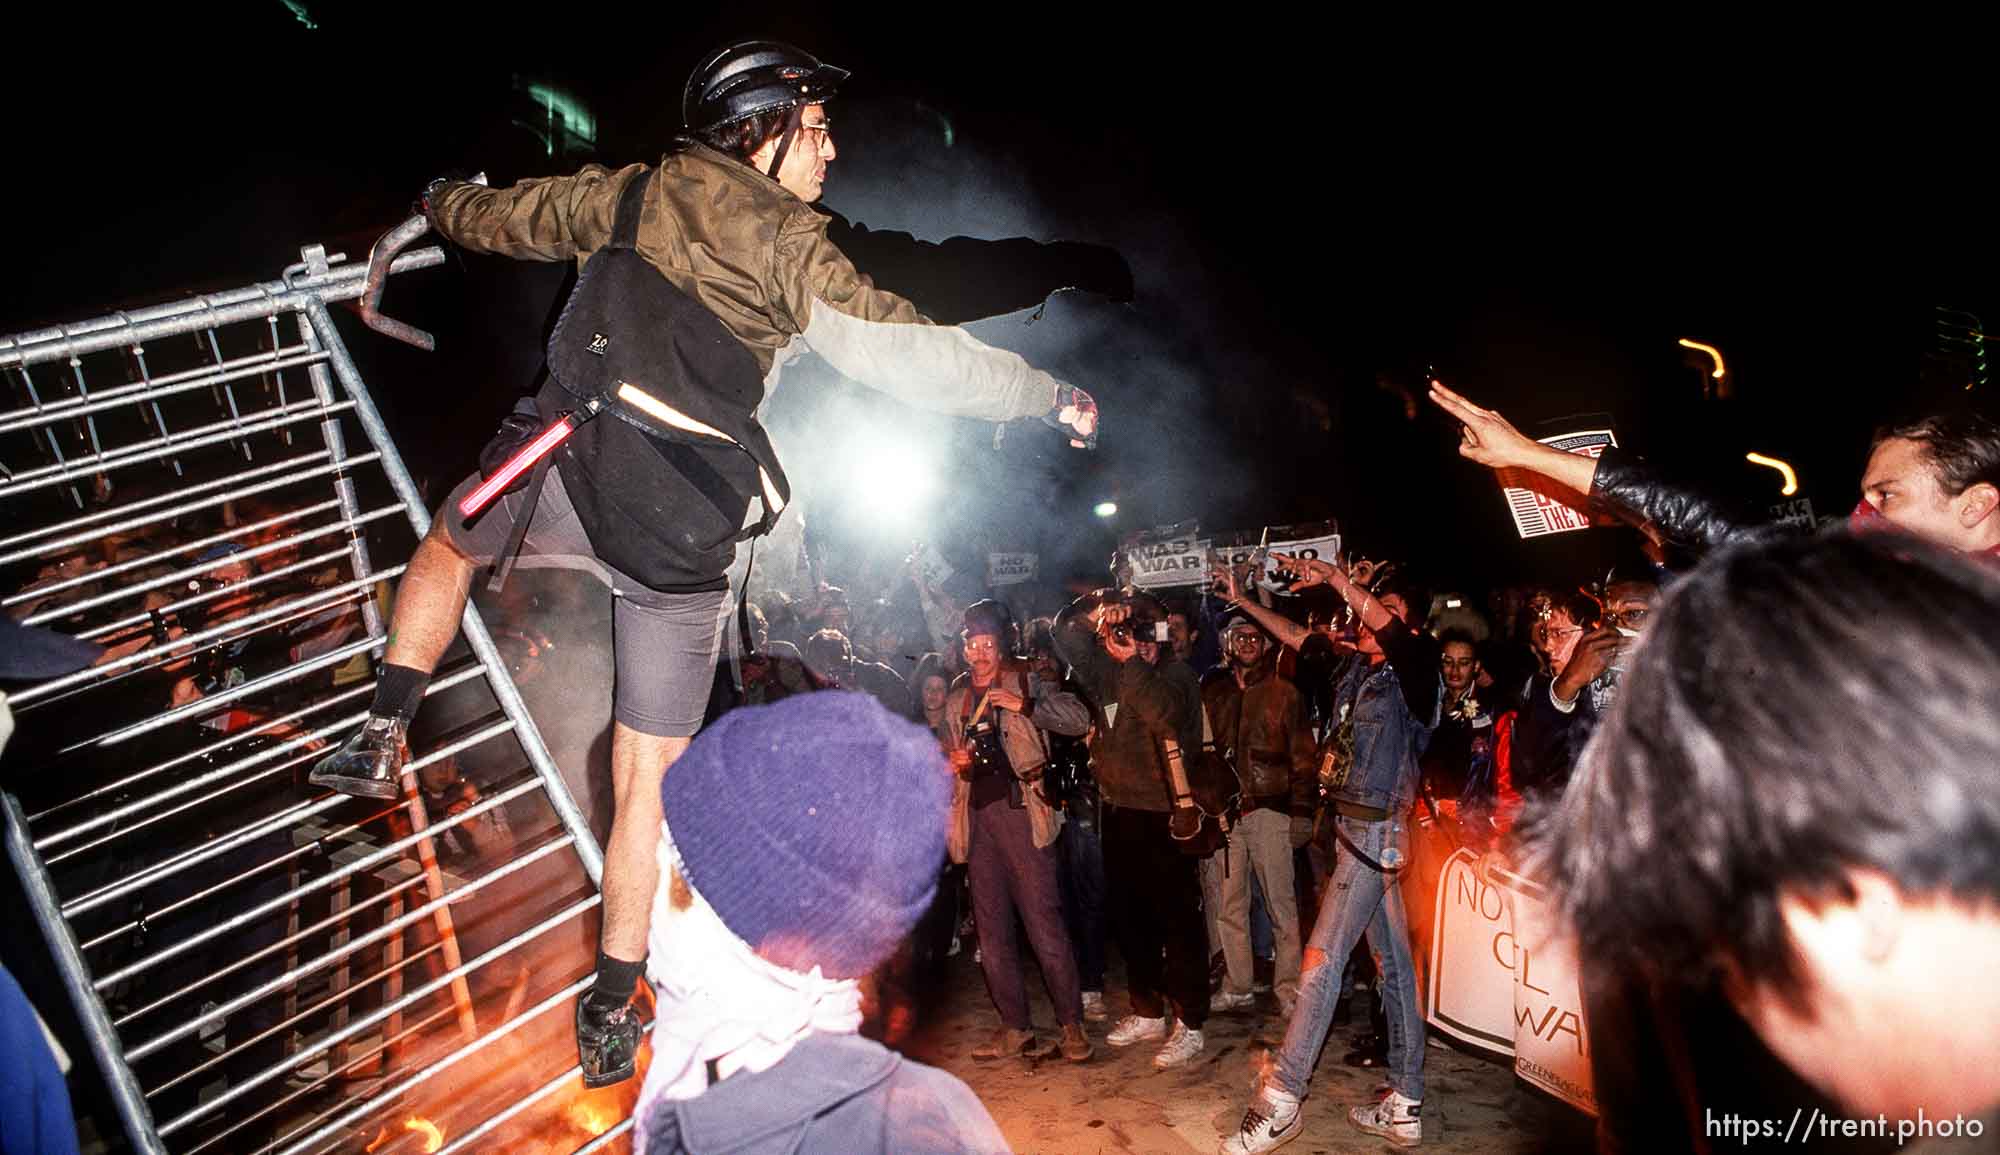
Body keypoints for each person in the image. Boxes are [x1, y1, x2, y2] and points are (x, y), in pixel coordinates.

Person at [308, 39, 1103, 1086]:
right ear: (760, 127)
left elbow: (512, 217)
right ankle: (609, 998)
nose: (830, 151)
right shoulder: (793, 249)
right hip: (686, 528)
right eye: (814, 131)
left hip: (574, 458)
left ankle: (382, 726)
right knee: (647, 778)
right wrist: (1042, 393)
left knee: (447, 548)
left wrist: (445, 199)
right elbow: (912, 351)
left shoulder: (636, 192)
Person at [1530, 530, 2000, 1140]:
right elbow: (1536, 767)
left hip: (1707, 907)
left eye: (1637, 613)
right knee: (1625, 1066)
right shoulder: (1583, 677)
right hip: (1621, 900)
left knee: (1716, 1073)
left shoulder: (1707, 681)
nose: (1619, 626)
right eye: (1612, 614)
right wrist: (1567, 687)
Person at [630, 692, 1011, 1154]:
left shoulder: (744, 1141)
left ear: (767, 940)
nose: (650, 886)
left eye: (677, 870)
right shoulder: (946, 1107)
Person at [1216, 553, 1439, 1153]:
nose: (1371, 619)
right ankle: (1405, 1102)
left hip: (1376, 837)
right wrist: (1243, 601)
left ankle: (1282, 1099)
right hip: (1354, 834)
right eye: (1371, 609)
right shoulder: (1355, 668)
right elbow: (1297, 635)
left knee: (1320, 961)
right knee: (1394, 971)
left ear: (1410, 626)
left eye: (1388, 613)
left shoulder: (1418, 669)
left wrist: (1344, 581)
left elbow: (1390, 631)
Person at [1430, 382, 2000, 558]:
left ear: (1975, 505)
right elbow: (1717, 523)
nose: (1862, 514)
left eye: (1888, 495)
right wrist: (1529, 456)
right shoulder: (1870, 579)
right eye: (1865, 495)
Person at [1052, 590, 1211, 1070]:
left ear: (1162, 636)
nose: (1138, 641)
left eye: (1148, 632)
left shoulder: (1177, 676)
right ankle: (1147, 1011)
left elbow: (1162, 714)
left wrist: (1133, 661)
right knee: (1131, 918)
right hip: (1119, 810)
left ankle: (1192, 1023)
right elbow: (1064, 636)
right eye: (1129, 631)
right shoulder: (1108, 672)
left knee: (1178, 922)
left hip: (1166, 814)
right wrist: (1099, 608)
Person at [943, 601, 1093, 1062]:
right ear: (964, 650)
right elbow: (951, 754)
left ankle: (1072, 1026)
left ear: (1001, 644)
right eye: (973, 645)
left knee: (1043, 925)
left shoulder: (1029, 677)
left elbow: (1079, 720)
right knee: (990, 933)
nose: (981, 653)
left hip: (1023, 813)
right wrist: (955, 764)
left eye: (988, 644)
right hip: (979, 819)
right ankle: (1016, 1027)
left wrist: (1026, 705)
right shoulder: (957, 697)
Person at [1199, 616, 1314, 1019]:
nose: (1248, 641)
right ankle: (1238, 985)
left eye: (1255, 636)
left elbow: (1304, 759)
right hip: (1227, 813)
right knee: (1229, 905)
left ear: (1266, 644)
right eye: (1239, 635)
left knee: (1281, 905)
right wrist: (1207, 807)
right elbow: (1202, 753)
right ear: (1227, 642)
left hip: (1271, 809)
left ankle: (1287, 988)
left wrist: (1302, 812)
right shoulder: (1212, 690)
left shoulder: (1285, 694)